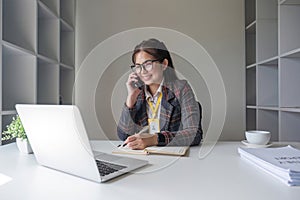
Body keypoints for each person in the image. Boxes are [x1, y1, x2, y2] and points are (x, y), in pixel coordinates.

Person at [117, 38, 203, 150]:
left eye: (147, 64)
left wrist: (154, 139)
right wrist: (130, 99)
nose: (142, 71)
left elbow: (194, 133)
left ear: (164, 64)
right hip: (145, 156)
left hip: (173, 156)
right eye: (138, 66)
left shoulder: (180, 89)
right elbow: (124, 135)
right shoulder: (138, 93)